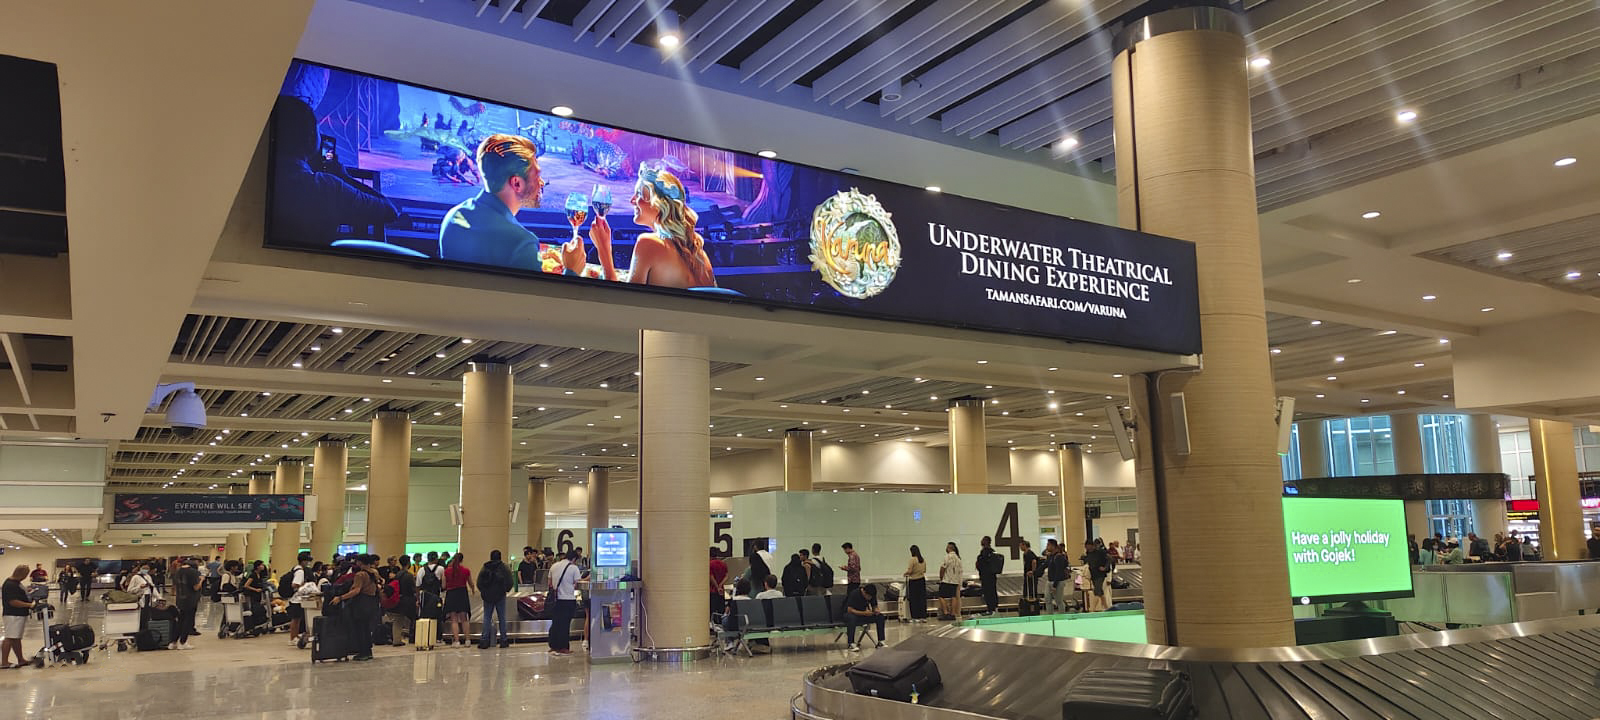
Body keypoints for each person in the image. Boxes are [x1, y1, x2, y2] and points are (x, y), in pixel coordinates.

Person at [562, 160, 717, 289]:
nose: (632, 201)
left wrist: (603, 249)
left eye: (639, 195)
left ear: (659, 204)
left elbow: (624, 307)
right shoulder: (698, 252)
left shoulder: (648, 243)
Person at [270, 96, 400, 249]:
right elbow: (389, 211)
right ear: (311, 138)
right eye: (319, 131)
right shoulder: (327, 187)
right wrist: (342, 175)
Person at [438, 134, 549, 270]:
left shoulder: (453, 215)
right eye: (537, 175)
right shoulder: (522, 243)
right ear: (517, 183)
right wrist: (570, 270)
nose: (541, 182)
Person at [327, 555, 378, 661]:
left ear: (360, 562)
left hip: (361, 603)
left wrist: (340, 597)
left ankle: (363, 652)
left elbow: (356, 590)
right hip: (372, 602)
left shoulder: (360, 574)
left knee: (360, 628)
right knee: (366, 628)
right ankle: (368, 652)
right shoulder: (374, 573)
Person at [477, 550, 514, 650]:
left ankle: (484, 640)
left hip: (487, 596)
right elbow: (510, 581)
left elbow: (479, 582)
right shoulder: (504, 567)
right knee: (502, 617)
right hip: (500, 595)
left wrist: (484, 591)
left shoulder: (485, 567)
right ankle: (503, 640)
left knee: (487, 617)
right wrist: (505, 589)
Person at [547, 549, 580, 656]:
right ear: (574, 559)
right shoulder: (574, 568)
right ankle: (563, 647)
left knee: (556, 623)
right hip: (568, 599)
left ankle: (553, 646)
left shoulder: (554, 566)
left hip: (556, 599)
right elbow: (577, 584)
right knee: (565, 624)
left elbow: (549, 583)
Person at [169, 557, 202, 650]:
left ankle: (173, 642)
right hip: (191, 600)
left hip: (180, 599)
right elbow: (196, 587)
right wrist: (201, 580)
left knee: (180, 621)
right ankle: (183, 642)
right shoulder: (193, 572)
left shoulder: (178, 571)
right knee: (188, 622)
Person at [2, 565, 31, 669]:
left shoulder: (16, 583)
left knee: (16, 638)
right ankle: (4, 662)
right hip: (13, 615)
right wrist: (29, 605)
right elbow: (13, 602)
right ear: (21, 574)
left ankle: (20, 659)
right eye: (25, 574)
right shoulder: (10, 585)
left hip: (18, 615)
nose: (25, 577)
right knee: (10, 638)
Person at [380, 559, 415, 647]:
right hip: (407, 600)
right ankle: (412, 637)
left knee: (397, 620)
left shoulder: (397, 575)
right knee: (413, 619)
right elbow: (412, 588)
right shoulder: (409, 575)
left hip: (397, 598)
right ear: (408, 563)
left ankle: (396, 639)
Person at [442, 553, 474, 646]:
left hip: (451, 594)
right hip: (462, 593)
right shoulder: (466, 570)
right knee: (464, 618)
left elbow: (443, 585)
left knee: (454, 619)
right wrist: (472, 590)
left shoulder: (446, 571)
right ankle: (467, 640)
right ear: (462, 560)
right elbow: (471, 583)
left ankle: (457, 641)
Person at [844, 584, 887, 652]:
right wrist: (864, 613)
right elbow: (849, 610)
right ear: (864, 592)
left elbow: (874, 606)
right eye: (868, 596)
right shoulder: (854, 594)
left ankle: (881, 641)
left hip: (863, 614)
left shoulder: (871, 595)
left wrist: (876, 610)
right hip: (850, 614)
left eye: (871, 597)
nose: (869, 598)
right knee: (852, 618)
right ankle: (851, 643)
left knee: (880, 617)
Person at [284, 552, 313, 646]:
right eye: (307, 561)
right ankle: (293, 638)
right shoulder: (300, 571)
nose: (308, 563)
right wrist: (304, 585)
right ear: (303, 561)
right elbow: (294, 584)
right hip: (296, 599)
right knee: (296, 619)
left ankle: (295, 636)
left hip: (294, 598)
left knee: (297, 619)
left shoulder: (295, 568)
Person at [1083, 540, 1111, 612]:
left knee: (1097, 591)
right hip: (1093, 575)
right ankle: (1107, 607)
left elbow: (1109, 559)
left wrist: (1105, 568)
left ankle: (1092, 609)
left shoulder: (1100, 552)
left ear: (1091, 545)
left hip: (1100, 574)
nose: (1086, 548)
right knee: (1100, 592)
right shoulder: (1088, 553)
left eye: (1087, 546)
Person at [976, 536, 1000, 616]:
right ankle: (994, 608)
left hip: (986, 576)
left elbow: (982, 563)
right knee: (992, 591)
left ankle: (991, 608)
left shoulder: (985, 552)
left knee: (988, 592)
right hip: (991, 576)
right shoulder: (992, 552)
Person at [938, 542, 962, 621]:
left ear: (949, 548)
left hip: (947, 580)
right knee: (953, 597)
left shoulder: (947, 557)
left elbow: (943, 568)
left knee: (941, 596)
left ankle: (946, 613)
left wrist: (941, 578)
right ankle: (953, 614)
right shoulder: (958, 558)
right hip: (955, 581)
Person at [903, 545, 927, 622]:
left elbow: (910, 571)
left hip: (914, 581)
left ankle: (915, 616)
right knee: (921, 598)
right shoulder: (922, 559)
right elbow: (924, 570)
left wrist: (905, 573)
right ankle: (923, 616)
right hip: (922, 580)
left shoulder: (912, 559)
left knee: (914, 599)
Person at [1046, 540, 1071, 614]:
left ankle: (1062, 616)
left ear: (1053, 546)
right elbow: (1044, 565)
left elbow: (1058, 572)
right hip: (1049, 580)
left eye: (1048, 545)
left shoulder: (1059, 557)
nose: (1047, 547)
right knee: (1047, 600)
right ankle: (1050, 616)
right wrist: (1034, 572)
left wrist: (1055, 585)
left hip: (1058, 582)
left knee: (1059, 601)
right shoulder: (1051, 556)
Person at [709, 547, 728, 619]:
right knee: (721, 610)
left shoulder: (710, 564)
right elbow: (726, 576)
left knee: (712, 611)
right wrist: (720, 585)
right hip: (721, 591)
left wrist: (717, 587)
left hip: (712, 590)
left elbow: (711, 577)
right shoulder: (723, 563)